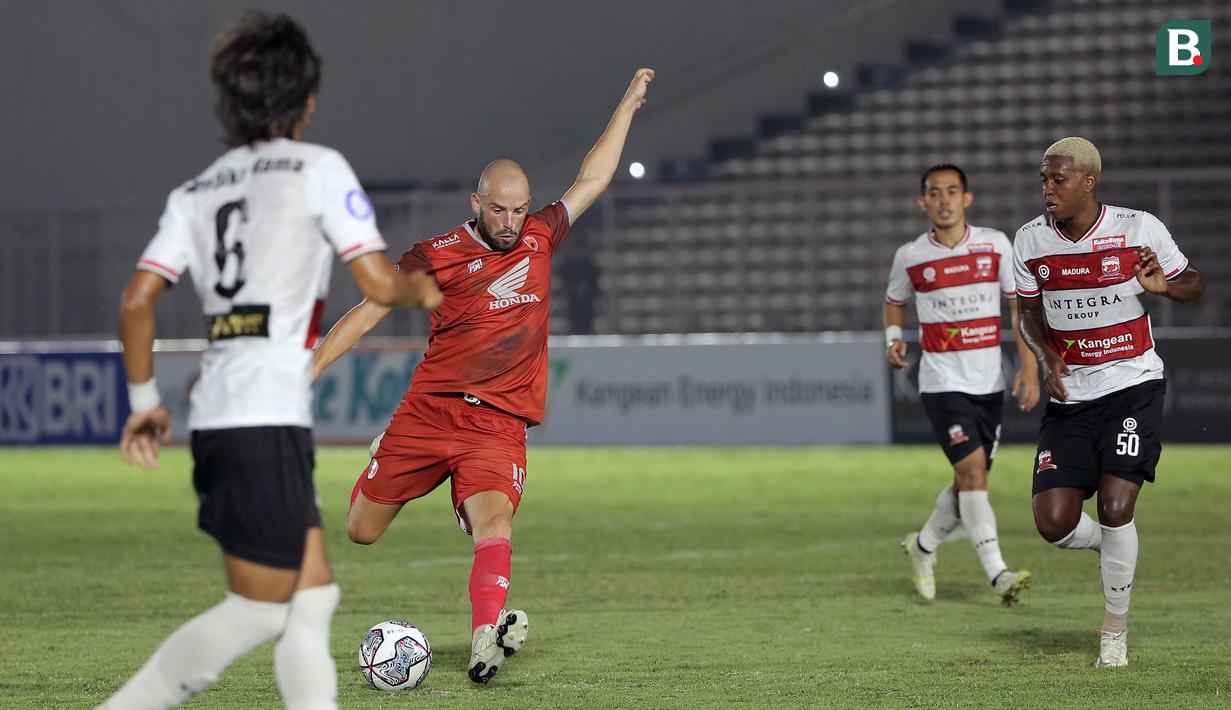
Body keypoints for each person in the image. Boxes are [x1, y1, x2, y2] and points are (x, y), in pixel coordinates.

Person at [99, 12, 440, 710]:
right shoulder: (317, 170)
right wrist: (421, 288)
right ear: (307, 99)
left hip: (223, 416)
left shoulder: (196, 191)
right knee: (259, 610)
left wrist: (143, 405)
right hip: (264, 420)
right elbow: (378, 284)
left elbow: (137, 304)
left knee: (313, 597)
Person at [311, 68, 655, 684]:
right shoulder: (435, 256)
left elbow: (593, 178)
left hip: (496, 424)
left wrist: (626, 109)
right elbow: (366, 316)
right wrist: (305, 371)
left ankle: (483, 637)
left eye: (520, 210)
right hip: (428, 411)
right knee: (360, 530)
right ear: (476, 203)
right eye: (499, 209)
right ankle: (389, 459)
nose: (511, 221)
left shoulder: (541, 237)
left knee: (495, 521)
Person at [1014, 137, 1204, 667]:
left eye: (1058, 179)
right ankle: (1116, 550)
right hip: (1072, 394)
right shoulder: (1029, 240)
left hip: (1133, 385)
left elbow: (1195, 284)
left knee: (1117, 506)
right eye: (1044, 179)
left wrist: (1163, 286)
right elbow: (1028, 312)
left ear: (1088, 182)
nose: (1047, 189)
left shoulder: (1137, 227)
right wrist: (1047, 358)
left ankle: (1114, 634)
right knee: (1053, 524)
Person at [886, 164, 1039, 605]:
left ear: (967, 199)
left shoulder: (995, 245)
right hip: (941, 382)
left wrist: (1029, 369)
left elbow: (1018, 311)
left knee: (966, 481)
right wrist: (893, 340)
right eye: (935, 193)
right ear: (923, 203)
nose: (944, 200)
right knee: (972, 474)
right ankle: (998, 576)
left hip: (988, 382)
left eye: (952, 191)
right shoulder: (911, 256)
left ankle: (923, 546)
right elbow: (894, 303)